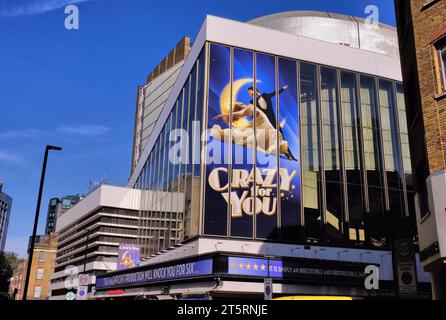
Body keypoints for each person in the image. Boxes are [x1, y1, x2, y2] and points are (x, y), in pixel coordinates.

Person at [247, 85, 297, 161]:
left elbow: (274, 93)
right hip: (266, 124)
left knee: (282, 138)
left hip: (273, 122)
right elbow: (253, 113)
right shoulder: (252, 102)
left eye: (250, 91)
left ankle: (290, 155)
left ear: (254, 90)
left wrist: (282, 89)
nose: (250, 94)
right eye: (249, 93)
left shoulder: (265, 95)